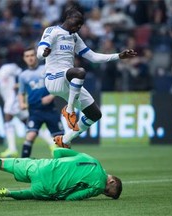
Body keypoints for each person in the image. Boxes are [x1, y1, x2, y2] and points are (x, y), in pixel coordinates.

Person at [36, 7, 137, 148]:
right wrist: (44, 53)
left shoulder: (74, 37)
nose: (79, 27)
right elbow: (40, 51)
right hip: (54, 79)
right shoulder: (52, 31)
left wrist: (118, 56)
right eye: (77, 23)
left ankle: (65, 140)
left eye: (81, 25)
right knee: (80, 72)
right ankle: (69, 110)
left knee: (95, 115)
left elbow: (93, 57)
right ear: (68, 18)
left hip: (69, 82)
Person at [0, 147, 122, 201]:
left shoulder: (90, 158)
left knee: (2, 163)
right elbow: (72, 198)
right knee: (34, 194)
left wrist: (59, 166)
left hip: (41, 166)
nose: (103, 192)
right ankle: (7, 193)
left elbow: (57, 152)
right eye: (107, 191)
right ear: (111, 181)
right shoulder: (98, 186)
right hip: (49, 187)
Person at [18, 47, 64, 157]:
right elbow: (21, 92)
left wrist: (51, 96)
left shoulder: (46, 69)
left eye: (32, 55)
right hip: (34, 110)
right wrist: (21, 103)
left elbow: (59, 83)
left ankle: (66, 165)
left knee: (61, 140)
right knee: (30, 136)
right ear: (24, 59)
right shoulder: (23, 76)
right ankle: (23, 165)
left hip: (50, 109)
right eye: (27, 56)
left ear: (36, 57)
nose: (30, 58)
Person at [0, 53, 28, 158]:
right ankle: (51, 143)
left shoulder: (10, 67)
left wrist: (19, 85)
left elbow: (22, 74)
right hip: (8, 100)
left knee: (7, 118)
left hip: (14, 97)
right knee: (29, 123)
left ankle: (12, 148)